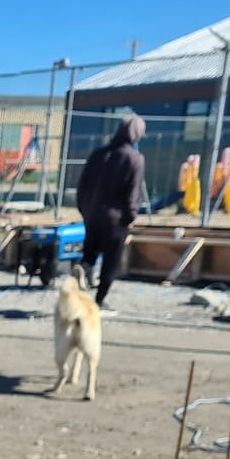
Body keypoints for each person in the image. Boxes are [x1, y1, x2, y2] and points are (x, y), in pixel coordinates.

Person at [76, 115, 146, 313]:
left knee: (89, 252)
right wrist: (131, 217)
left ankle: (83, 271)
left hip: (92, 214)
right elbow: (133, 192)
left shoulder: (98, 154)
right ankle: (99, 300)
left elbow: (83, 186)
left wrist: (84, 209)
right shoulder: (134, 159)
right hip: (116, 219)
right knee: (111, 260)